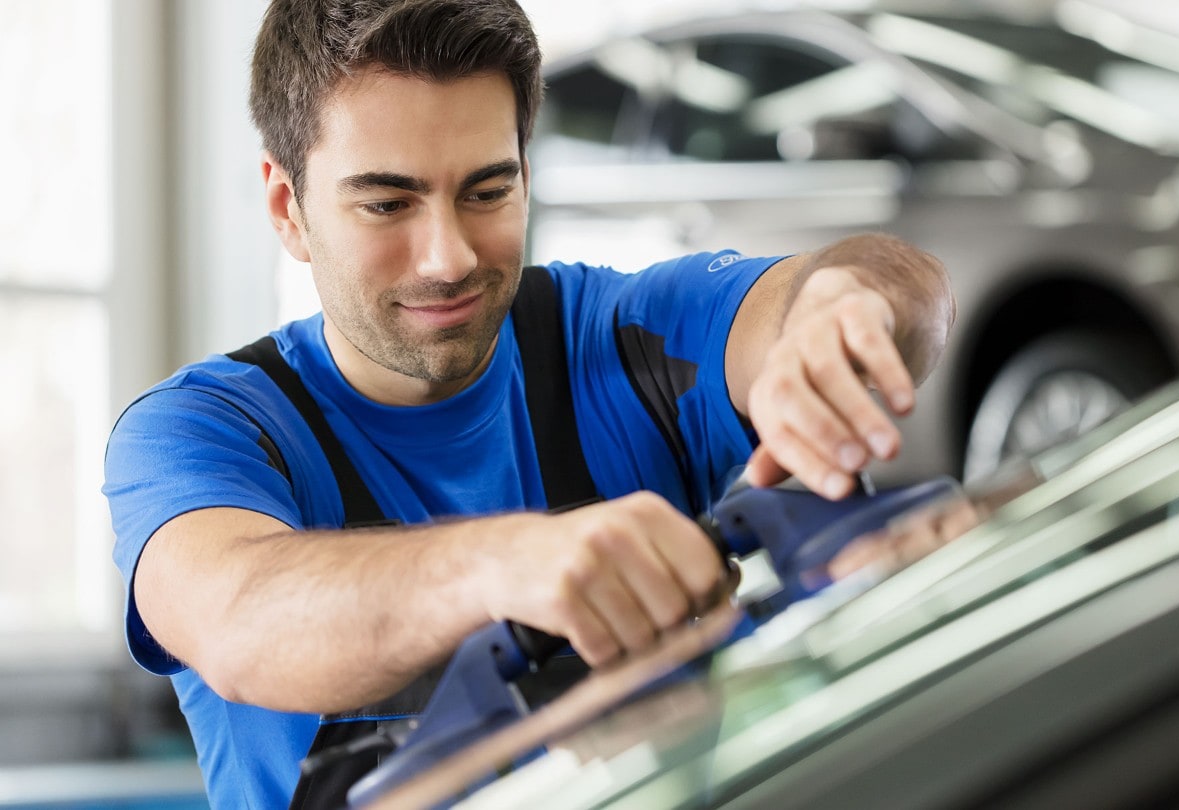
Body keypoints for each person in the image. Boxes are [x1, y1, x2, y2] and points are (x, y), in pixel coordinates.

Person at [102, 0, 956, 805]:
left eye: (487, 191)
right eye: (388, 201)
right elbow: (243, 621)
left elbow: (868, 286)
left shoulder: (623, 340)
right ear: (290, 208)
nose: (447, 257)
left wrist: (848, 310)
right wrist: (509, 565)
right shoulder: (203, 431)